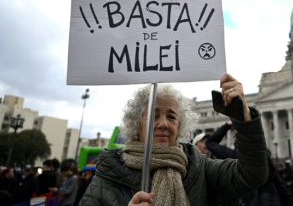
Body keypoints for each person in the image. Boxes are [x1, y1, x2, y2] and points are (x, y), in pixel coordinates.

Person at [79, 73, 268, 206]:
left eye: (171, 116)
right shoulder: (107, 176)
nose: (163, 124)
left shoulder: (199, 166)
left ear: (180, 125)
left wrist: (243, 117)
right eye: (153, 116)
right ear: (137, 124)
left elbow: (251, 174)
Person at [206, 120, 293, 206]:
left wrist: (228, 125)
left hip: (250, 200)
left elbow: (210, 142)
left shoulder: (237, 156)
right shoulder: (263, 155)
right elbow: (278, 182)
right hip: (271, 199)